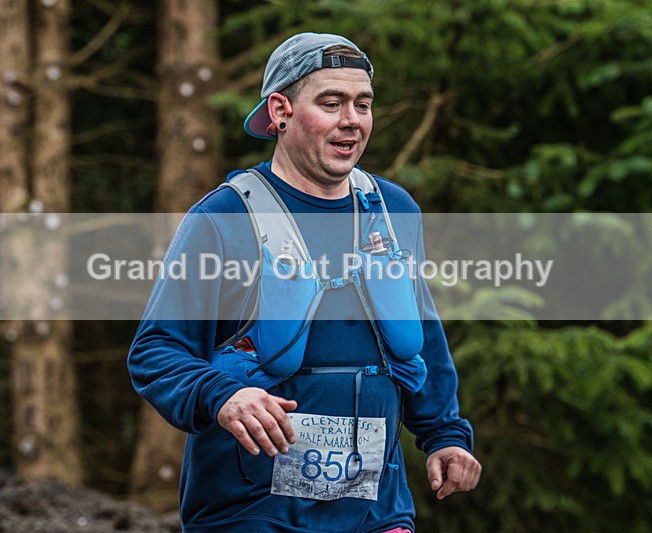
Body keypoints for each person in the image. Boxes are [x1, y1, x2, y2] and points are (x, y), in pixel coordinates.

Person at [128, 32, 481, 533]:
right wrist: (222, 396)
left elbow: (423, 338)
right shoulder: (224, 217)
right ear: (280, 111)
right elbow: (155, 351)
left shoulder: (393, 210)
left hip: (375, 511)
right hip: (249, 512)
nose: (351, 120)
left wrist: (445, 434)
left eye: (363, 104)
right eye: (331, 103)